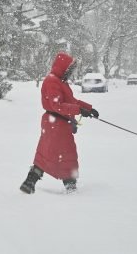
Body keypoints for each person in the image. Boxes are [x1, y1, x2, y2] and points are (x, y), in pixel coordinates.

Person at [19, 52, 99, 194]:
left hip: (59, 124)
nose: (71, 72)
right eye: (69, 69)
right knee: (61, 154)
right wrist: (78, 110)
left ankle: (30, 182)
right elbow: (57, 105)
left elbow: (71, 101)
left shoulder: (60, 82)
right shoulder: (51, 81)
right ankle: (69, 185)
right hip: (54, 123)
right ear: (63, 67)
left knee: (51, 153)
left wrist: (88, 109)